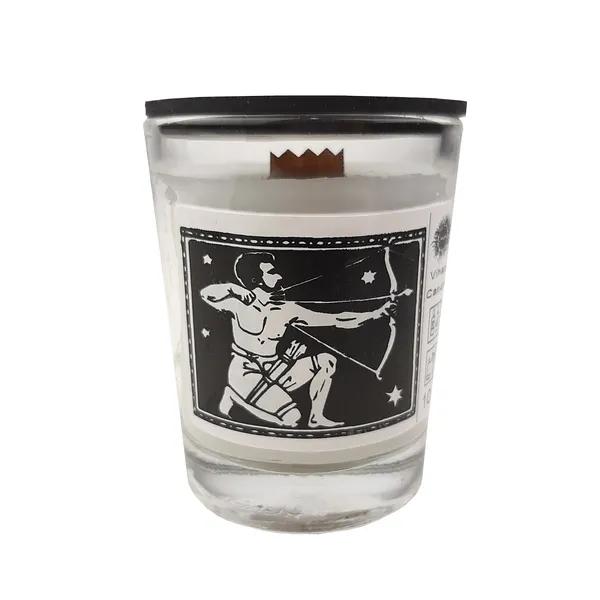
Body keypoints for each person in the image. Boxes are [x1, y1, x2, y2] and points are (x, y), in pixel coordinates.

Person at [200, 251, 396, 428]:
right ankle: (235, 399)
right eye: (271, 273)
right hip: (246, 371)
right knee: (292, 418)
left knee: (326, 361)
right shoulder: (237, 305)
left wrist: (376, 314)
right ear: (255, 279)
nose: (279, 277)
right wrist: (233, 289)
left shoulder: (287, 309)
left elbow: (338, 319)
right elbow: (206, 294)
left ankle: (316, 417)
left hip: (275, 368)